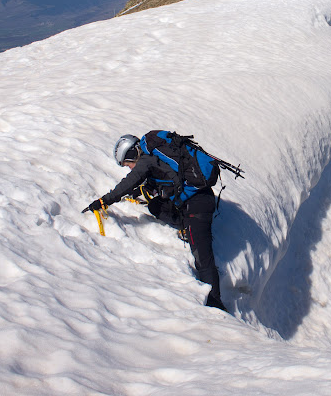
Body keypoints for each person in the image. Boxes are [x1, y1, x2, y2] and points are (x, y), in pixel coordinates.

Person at [84, 133, 228, 312]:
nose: (129, 168)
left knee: (203, 259)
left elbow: (128, 183)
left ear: (130, 154)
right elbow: (160, 179)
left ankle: (216, 305)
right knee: (155, 205)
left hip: (197, 207)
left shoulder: (145, 160)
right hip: (196, 197)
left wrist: (104, 201)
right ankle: (185, 226)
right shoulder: (155, 156)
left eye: (127, 164)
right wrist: (139, 192)